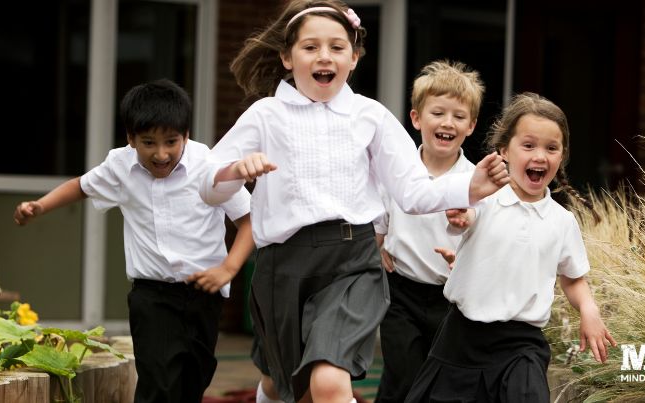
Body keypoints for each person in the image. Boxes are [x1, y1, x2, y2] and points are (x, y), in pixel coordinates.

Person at [198, 2, 509, 402]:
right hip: (282, 266)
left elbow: (412, 193)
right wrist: (235, 171)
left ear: (354, 58)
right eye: (310, 47)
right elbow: (208, 185)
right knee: (284, 385)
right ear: (287, 58)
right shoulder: (266, 115)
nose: (324, 56)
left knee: (328, 381)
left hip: (352, 262)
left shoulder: (371, 116)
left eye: (337, 47)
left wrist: (471, 188)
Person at [13, 79, 255, 403]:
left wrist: (228, 269)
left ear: (186, 135)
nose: (161, 153)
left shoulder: (210, 166)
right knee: (159, 382)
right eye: (148, 142)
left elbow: (249, 222)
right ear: (130, 139)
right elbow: (81, 186)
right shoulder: (119, 165)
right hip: (151, 295)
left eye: (171, 141)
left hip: (204, 293)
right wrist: (40, 206)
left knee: (191, 381)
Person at [405, 92, 617, 403]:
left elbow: (572, 278)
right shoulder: (485, 198)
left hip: (522, 344)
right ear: (504, 150)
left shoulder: (562, 221)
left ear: (562, 156)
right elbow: (467, 214)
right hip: (462, 338)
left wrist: (588, 308)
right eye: (528, 145)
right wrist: (461, 213)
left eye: (551, 148)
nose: (540, 156)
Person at [373, 60, 485, 403]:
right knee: (403, 373)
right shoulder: (398, 172)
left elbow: (478, 224)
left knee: (440, 381)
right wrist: (376, 249)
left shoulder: (474, 179)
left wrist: (464, 220)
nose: (447, 122)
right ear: (417, 118)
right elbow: (379, 219)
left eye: (458, 116)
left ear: (471, 126)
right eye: (438, 113)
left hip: (449, 299)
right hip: (400, 293)